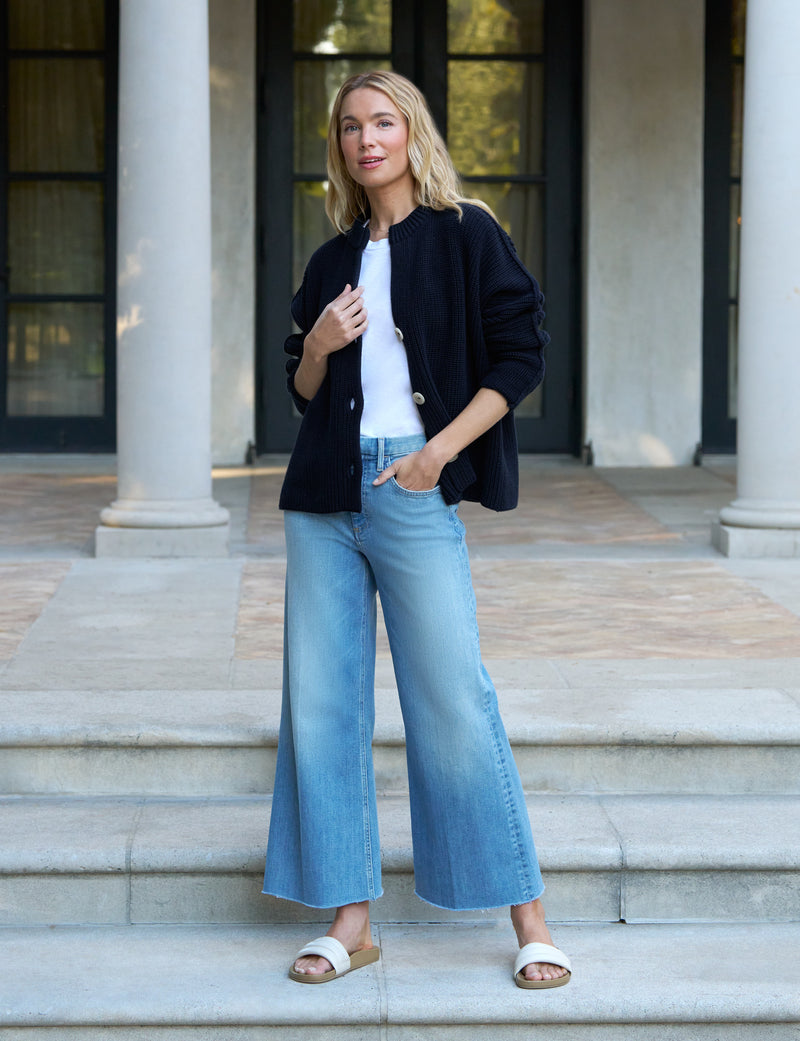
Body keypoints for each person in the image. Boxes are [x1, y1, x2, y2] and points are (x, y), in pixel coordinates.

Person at [263, 69, 571, 991]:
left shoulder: (466, 231)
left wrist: (438, 453)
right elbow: (303, 388)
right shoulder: (332, 258)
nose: (366, 139)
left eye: (382, 122)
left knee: (452, 697)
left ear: (411, 133)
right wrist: (320, 345)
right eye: (350, 126)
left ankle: (530, 919)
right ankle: (349, 922)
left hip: (412, 481)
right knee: (321, 705)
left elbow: (522, 355)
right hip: (323, 495)